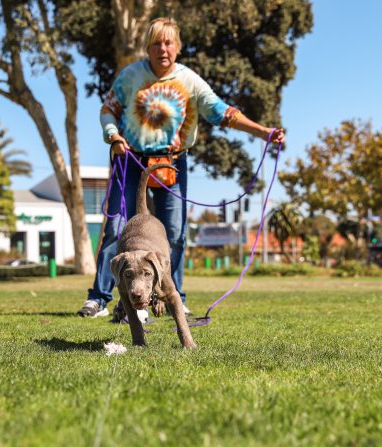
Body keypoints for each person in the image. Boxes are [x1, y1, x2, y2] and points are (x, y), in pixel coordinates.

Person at [77, 17, 285, 318]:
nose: (163, 48)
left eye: (168, 42)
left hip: (171, 163)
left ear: (177, 47)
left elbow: (223, 113)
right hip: (131, 159)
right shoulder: (130, 76)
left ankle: (171, 296)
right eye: (156, 43)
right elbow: (108, 110)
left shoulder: (190, 81)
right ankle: (100, 298)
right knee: (114, 229)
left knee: (174, 234)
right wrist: (113, 135)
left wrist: (263, 132)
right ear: (148, 47)